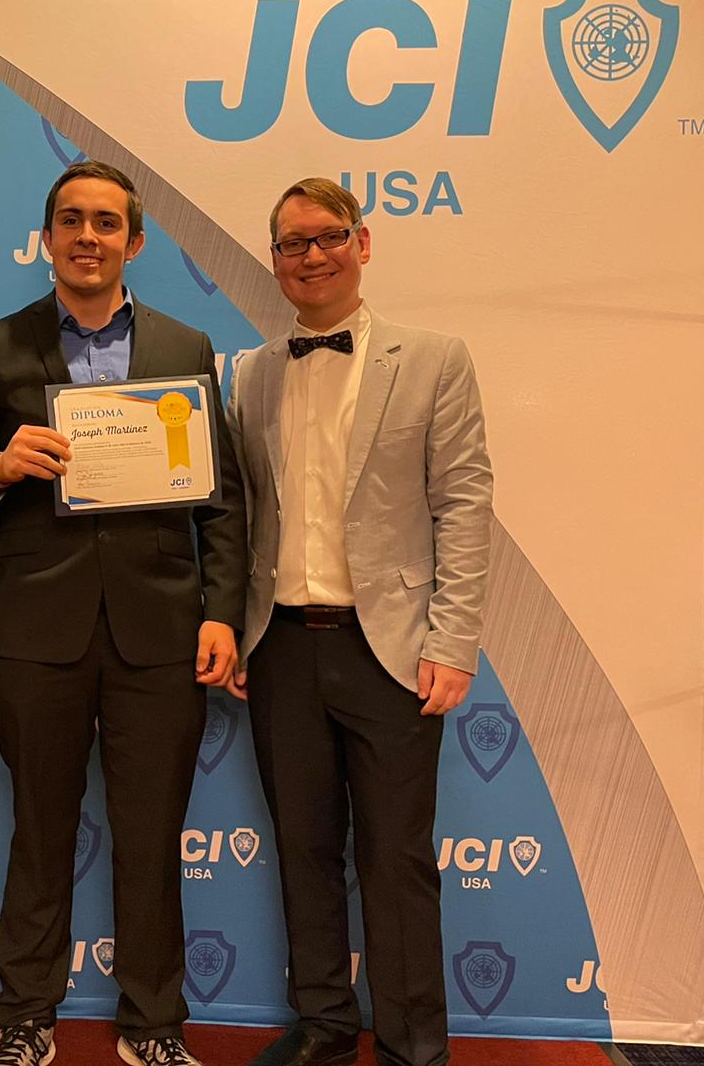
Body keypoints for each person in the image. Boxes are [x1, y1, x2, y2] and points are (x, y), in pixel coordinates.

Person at [0, 161, 246, 1066]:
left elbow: (221, 501)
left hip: (161, 633)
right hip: (36, 633)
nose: (88, 236)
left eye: (107, 222)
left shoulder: (185, 348)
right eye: (70, 220)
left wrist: (221, 613)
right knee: (40, 830)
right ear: (45, 237)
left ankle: (155, 1027)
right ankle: (23, 1022)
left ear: (135, 240)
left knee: (152, 833)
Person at [226, 177, 493, 1066]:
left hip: (394, 652)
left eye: (327, 237)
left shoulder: (434, 358)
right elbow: (238, 516)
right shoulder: (251, 374)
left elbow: (463, 503)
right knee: (303, 853)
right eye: (292, 244)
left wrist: (454, 641)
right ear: (274, 261)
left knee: (397, 859)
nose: (310, 256)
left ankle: (416, 1042)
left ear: (363, 243)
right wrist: (232, 626)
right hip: (280, 649)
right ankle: (327, 1026)